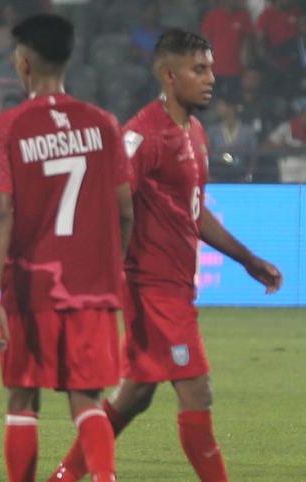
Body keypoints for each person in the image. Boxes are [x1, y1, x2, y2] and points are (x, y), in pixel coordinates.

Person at [48, 29, 283, 482]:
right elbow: (105, 206)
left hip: (175, 283)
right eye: (200, 69)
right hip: (149, 286)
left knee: (135, 396)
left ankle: (64, 476)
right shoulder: (142, 137)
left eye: (212, 67)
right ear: (169, 75)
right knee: (197, 389)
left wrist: (247, 259)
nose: (212, 78)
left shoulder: (193, 132)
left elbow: (194, 213)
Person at [0, 14, 134, 482]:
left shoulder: (5, 127)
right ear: (67, 59)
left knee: (24, 396)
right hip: (93, 285)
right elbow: (126, 211)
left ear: (23, 64)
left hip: (31, 283)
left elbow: (0, 213)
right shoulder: (104, 124)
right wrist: (112, 268)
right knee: (86, 397)